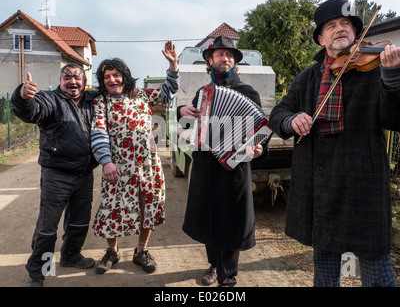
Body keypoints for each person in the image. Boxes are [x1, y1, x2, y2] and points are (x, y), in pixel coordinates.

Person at [269, 0, 400, 287]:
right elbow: (278, 114)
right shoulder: (308, 78)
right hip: (321, 186)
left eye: (346, 25)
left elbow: (394, 119)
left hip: (363, 185)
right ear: (321, 38)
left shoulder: (375, 69)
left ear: (356, 33)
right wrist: (291, 120)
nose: (340, 29)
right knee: (325, 272)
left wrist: (392, 78)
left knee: (377, 270)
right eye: (332, 26)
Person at [177, 36, 268, 287]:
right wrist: (180, 111)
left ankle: (227, 277)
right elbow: (188, 129)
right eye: (219, 54)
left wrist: (259, 149)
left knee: (230, 221)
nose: (224, 58)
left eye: (229, 55)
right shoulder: (202, 93)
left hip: (235, 167)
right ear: (210, 60)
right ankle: (213, 264)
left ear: (235, 61)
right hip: (206, 165)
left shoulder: (248, 92)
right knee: (208, 218)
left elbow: (261, 129)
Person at [91, 41, 179, 274]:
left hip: (147, 166)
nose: (112, 80)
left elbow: (167, 94)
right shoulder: (102, 102)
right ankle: (112, 252)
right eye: (107, 77)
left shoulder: (141, 96)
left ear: (125, 76)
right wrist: (106, 162)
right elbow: (98, 132)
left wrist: (172, 66)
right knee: (112, 207)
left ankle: (141, 251)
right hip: (117, 167)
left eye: (117, 75)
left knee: (146, 206)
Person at [11, 64, 99, 287]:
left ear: (84, 81)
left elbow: (115, 93)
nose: (73, 81)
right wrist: (22, 96)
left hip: (84, 174)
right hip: (57, 175)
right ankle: (39, 272)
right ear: (61, 80)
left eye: (77, 78)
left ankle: (71, 256)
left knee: (79, 222)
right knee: (47, 228)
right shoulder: (50, 99)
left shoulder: (91, 100)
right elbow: (31, 111)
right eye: (67, 77)